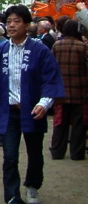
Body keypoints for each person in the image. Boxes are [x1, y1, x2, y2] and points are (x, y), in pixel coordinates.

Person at [0, 5, 65, 204]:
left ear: (27, 25)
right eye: (9, 22)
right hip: (8, 110)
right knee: (9, 156)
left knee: (34, 153)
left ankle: (32, 186)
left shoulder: (40, 50)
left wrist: (44, 102)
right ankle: (12, 195)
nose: (12, 25)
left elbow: (50, 78)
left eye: (17, 21)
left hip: (32, 109)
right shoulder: (1, 50)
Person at [49, 19, 88, 160]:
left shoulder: (57, 45)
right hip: (80, 90)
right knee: (79, 123)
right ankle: (77, 153)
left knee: (60, 122)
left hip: (60, 90)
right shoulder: (82, 47)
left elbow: (50, 67)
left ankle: (57, 151)